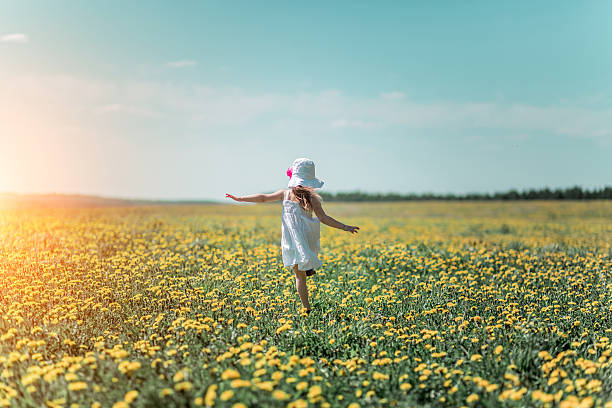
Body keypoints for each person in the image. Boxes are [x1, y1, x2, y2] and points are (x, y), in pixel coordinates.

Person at [226, 158, 359, 315]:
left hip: (292, 238)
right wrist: (344, 227)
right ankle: (307, 278)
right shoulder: (312, 198)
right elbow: (324, 218)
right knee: (301, 270)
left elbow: (263, 198)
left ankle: (306, 308)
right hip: (305, 236)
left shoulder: (286, 194)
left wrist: (240, 199)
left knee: (299, 276)